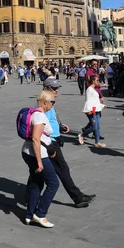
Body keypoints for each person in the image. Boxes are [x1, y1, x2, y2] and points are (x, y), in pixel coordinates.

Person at [41, 78, 96, 208]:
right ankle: (78, 198)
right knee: (62, 169)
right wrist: (49, 145)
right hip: (50, 142)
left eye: (57, 89)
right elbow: (41, 125)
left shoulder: (50, 102)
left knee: (38, 172)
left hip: (53, 139)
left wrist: (60, 126)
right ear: (47, 88)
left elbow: (51, 121)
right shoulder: (45, 103)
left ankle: (29, 196)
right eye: (54, 89)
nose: (56, 91)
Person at [22, 91, 60, 228]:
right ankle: (40, 214)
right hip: (37, 155)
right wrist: (39, 162)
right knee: (53, 183)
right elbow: (36, 139)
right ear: (44, 102)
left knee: (37, 183)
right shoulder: (39, 117)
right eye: (52, 102)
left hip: (28, 152)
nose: (53, 104)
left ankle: (29, 215)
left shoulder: (35, 114)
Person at [78, 75, 106, 147]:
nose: (98, 82)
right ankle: (82, 135)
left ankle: (97, 142)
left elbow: (95, 101)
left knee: (98, 126)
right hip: (92, 110)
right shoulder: (89, 90)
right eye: (97, 80)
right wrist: (89, 110)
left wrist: (102, 105)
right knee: (94, 127)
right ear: (93, 81)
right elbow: (88, 101)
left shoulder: (94, 89)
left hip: (96, 110)